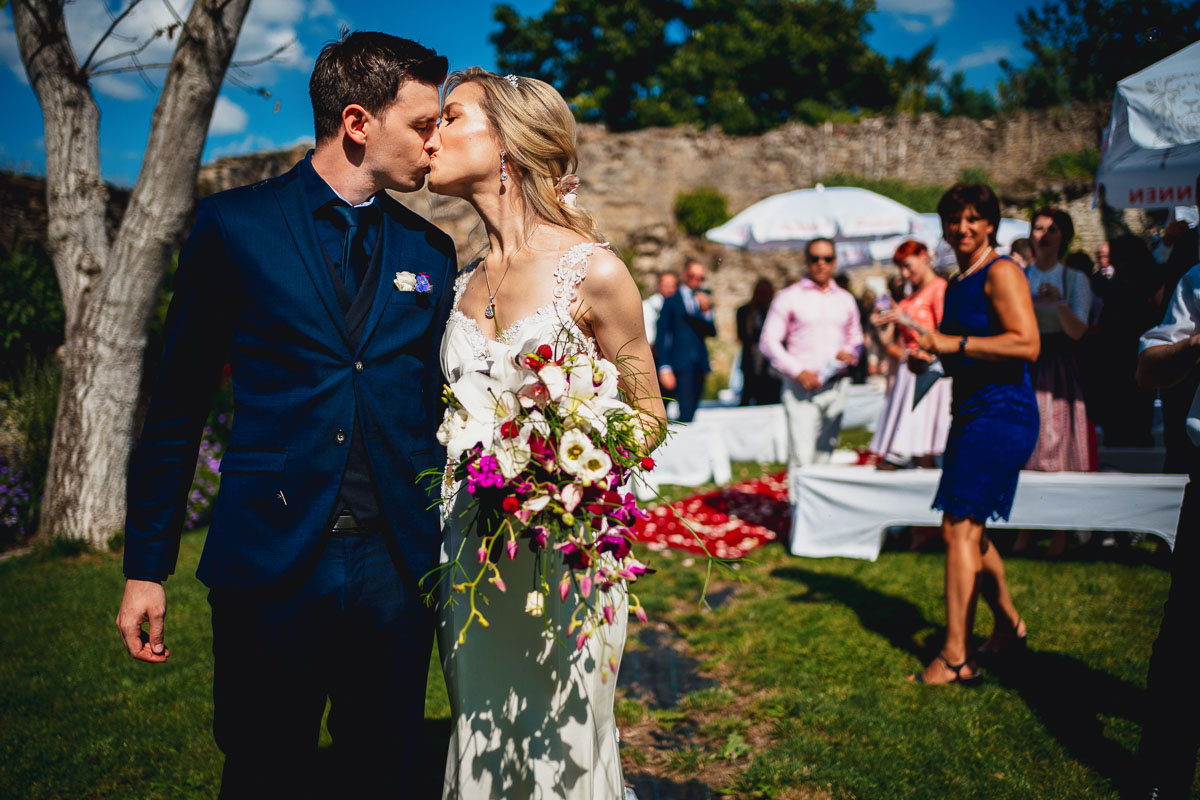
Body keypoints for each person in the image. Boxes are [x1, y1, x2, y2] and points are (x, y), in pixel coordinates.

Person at [115, 33, 454, 796]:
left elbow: (437, 409)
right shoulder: (235, 227)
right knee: (266, 766)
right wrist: (146, 569)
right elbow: (175, 411)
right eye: (424, 123)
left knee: (387, 769)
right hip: (272, 560)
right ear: (359, 122)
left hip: (396, 569)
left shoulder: (430, 250)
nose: (438, 141)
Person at [427, 67, 664, 799]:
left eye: (451, 117)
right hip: (469, 553)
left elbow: (649, 415)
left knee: (564, 745)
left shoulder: (594, 273)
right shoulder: (460, 278)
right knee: (480, 734)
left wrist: (558, 463)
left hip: (560, 553)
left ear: (507, 145)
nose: (429, 135)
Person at [907, 183, 1040, 685]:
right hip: (970, 410)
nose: (961, 228)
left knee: (960, 529)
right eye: (953, 220)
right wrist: (931, 356)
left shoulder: (1002, 271)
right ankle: (1008, 626)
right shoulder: (959, 280)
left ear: (990, 224)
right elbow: (966, 348)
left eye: (972, 219)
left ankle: (956, 657)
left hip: (1002, 412)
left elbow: (1026, 343)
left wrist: (950, 341)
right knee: (963, 530)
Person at [1136, 262, 1200, 799]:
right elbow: (1149, 368)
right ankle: (1162, 778)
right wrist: (1196, 344)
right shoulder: (1197, 280)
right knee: (1185, 634)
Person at [1016, 208, 1096, 555]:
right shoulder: (1018, 276)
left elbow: (1079, 331)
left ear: (1063, 236)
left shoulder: (1075, 278)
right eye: (1038, 228)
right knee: (1024, 442)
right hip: (1024, 362)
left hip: (1059, 365)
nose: (1043, 234)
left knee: (1058, 442)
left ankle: (1060, 530)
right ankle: (1024, 527)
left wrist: (1057, 304)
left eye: (1051, 229)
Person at [759, 238, 862, 503]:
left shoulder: (847, 300)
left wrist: (850, 354)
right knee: (802, 456)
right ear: (806, 261)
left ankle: (820, 516)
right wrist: (798, 371)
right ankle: (800, 514)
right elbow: (769, 341)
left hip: (835, 385)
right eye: (815, 258)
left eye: (827, 258)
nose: (821, 264)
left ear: (835, 262)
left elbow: (856, 339)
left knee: (824, 455)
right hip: (800, 388)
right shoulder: (789, 297)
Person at [868, 240, 952, 470]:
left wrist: (908, 321)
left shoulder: (939, 289)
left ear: (924, 257)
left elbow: (945, 335)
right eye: (901, 269)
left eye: (908, 266)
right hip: (909, 372)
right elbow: (894, 347)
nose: (905, 274)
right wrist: (881, 329)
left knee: (929, 446)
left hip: (931, 374)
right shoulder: (907, 300)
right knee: (914, 449)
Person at [1095, 235, 1163, 447]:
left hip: (1126, 344)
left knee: (1126, 389)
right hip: (1126, 345)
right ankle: (1133, 433)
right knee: (1130, 390)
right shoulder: (1147, 277)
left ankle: (1123, 433)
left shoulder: (1140, 278)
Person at [656, 259, 716, 421]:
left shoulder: (705, 298)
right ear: (684, 275)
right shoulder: (671, 301)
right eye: (692, 276)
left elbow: (712, 332)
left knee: (694, 410)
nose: (696, 281)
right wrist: (664, 366)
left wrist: (706, 312)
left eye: (700, 278)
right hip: (679, 363)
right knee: (683, 412)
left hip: (699, 362)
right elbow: (661, 335)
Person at [736, 277, 783, 405]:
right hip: (751, 364)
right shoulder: (744, 312)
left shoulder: (776, 313)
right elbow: (743, 336)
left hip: (771, 367)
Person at [642, 270, 678, 349]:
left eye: (673, 285)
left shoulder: (678, 307)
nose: (670, 289)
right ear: (659, 285)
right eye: (666, 285)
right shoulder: (647, 306)